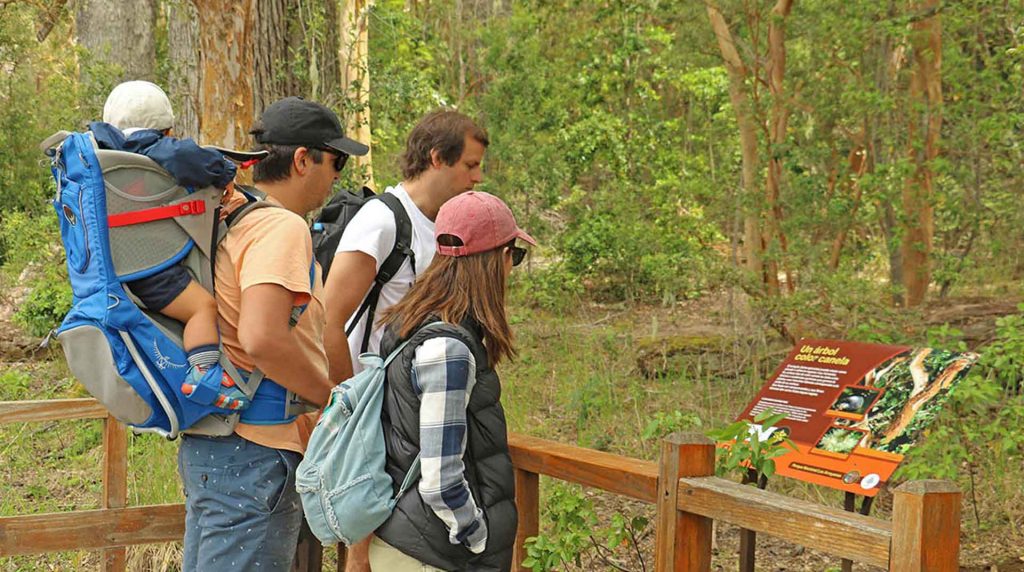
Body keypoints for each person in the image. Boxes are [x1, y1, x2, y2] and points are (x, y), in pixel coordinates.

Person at [176, 96, 366, 571]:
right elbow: (262, 337)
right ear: (304, 159)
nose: (337, 175)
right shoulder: (280, 227)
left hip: (214, 438)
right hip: (255, 448)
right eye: (335, 160)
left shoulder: (234, 215)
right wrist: (330, 397)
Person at [323, 109, 488, 571]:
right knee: (363, 551)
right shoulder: (382, 221)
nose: (477, 178)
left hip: (416, 407)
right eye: (470, 166)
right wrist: (349, 408)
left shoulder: (441, 224)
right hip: (372, 406)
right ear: (438, 158)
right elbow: (329, 318)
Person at [371, 191, 534, 572]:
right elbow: (440, 479)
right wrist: (476, 535)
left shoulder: (416, 322)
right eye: (515, 254)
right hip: (430, 556)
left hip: (410, 543)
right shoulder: (448, 349)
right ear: (498, 259)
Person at [90, 80, 246, 410]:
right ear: (168, 129)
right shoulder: (163, 152)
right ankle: (203, 374)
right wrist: (226, 173)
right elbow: (199, 161)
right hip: (152, 268)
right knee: (201, 308)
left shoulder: (95, 156)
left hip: (110, 266)